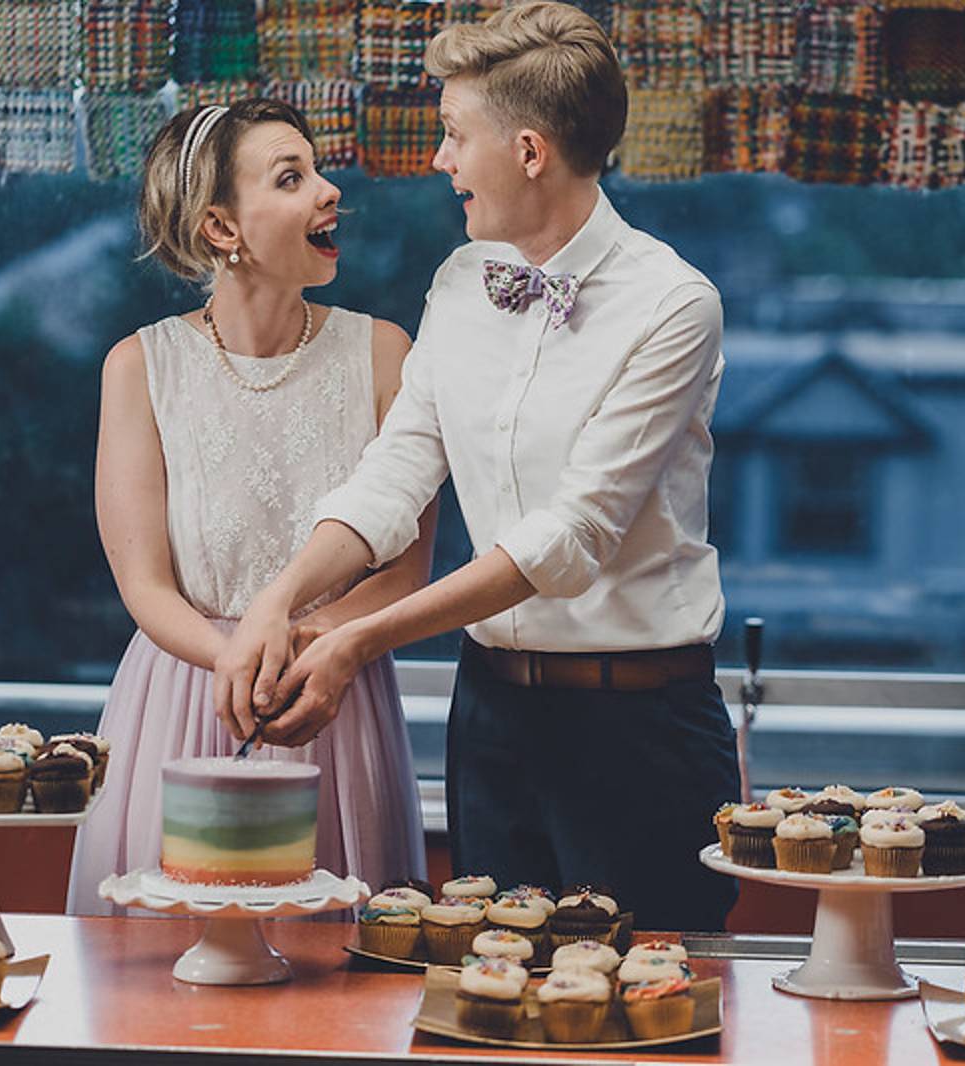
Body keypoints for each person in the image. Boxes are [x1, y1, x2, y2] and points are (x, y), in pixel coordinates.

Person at [213, 4, 740, 931]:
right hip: (491, 723)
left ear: (529, 151)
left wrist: (355, 641)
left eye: (456, 136)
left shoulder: (675, 305)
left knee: (651, 1015)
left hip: (643, 733)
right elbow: (393, 478)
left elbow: (571, 538)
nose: (440, 160)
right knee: (488, 1009)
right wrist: (281, 598)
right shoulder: (461, 282)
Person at [66, 98, 432, 914]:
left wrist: (309, 646)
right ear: (221, 229)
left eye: (318, 170)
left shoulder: (383, 353)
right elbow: (145, 585)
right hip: (180, 696)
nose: (329, 191)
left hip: (333, 697)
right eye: (292, 178)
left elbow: (408, 572)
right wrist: (232, 658)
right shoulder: (139, 367)